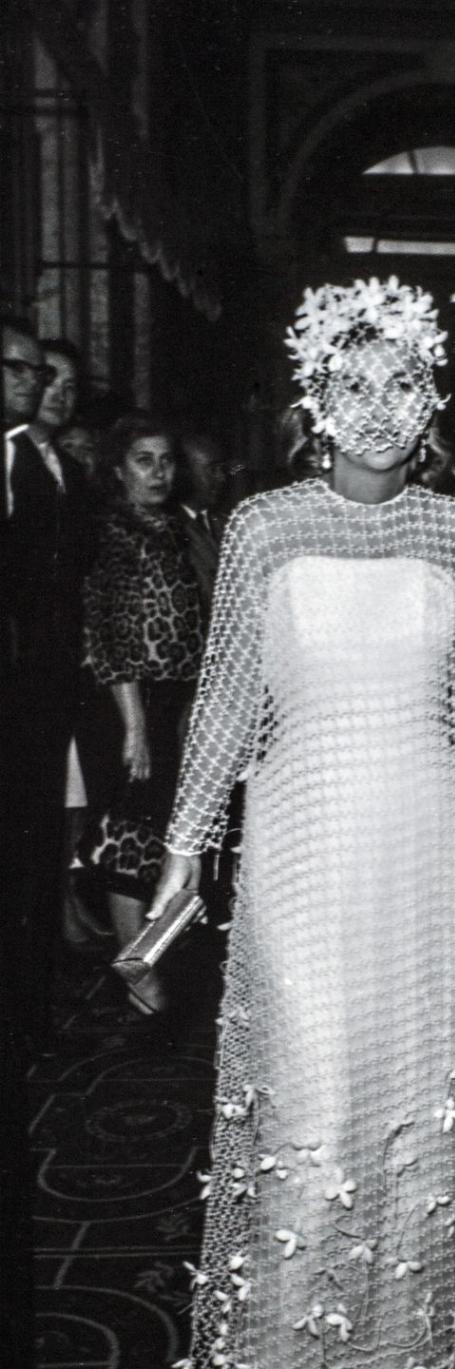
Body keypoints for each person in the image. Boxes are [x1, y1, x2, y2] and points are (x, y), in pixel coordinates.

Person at [149, 278, 455, 1369]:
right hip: (303, 854)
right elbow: (226, 694)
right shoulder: (263, 525)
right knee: (318, 1089)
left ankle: (403, 1341)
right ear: (314, 399)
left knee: (412, 1094)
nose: (379, 405)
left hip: (418, 850)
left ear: (432, 398)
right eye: (353, 384)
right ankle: (288, 1344)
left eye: (403, 381)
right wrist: (185, 845)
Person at [78, 413, 203, 1015]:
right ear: (117, 469)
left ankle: (148, 958)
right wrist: (135, 726)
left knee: (160, 838)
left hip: (172, 699)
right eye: (143, 460)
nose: (158, 472)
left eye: (166, 459)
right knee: (128, 838)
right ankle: (134, 968)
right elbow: (108, 636)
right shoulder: (113, 533)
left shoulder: (171, 527)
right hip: (128, 700)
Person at [1, 314, 93, 1038]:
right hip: (19, 687)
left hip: (51, 687)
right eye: (28, 370)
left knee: (41, 843)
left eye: (54, 375)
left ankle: (34, 1000)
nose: (43, 386)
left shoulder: (57, 463)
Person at [176, 429, 228, 625]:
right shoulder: (170, 529)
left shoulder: (228, 524)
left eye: (222, 469)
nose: (221, 477)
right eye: (212, 470)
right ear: (185, 473)